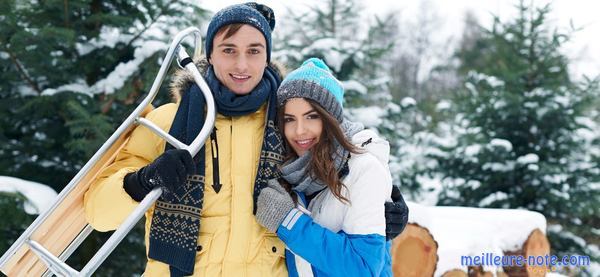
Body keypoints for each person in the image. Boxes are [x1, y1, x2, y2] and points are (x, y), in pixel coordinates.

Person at [84, 2, 407, 277]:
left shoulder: (285, 125)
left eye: (254, 51)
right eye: (229, 50)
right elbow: (98, 214)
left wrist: (386, 205)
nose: (242, 64)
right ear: (210, 55)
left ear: (267, 57)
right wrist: (142, 181)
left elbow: (340, 163)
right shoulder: (168, 122)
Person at [255, 58, 393, 276]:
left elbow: (363, 268)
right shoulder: (293, 172)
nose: (299, 130)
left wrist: (287, 221)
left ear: (331, 119)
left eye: (312, 116)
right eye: (289, 119)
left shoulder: (363, 170)